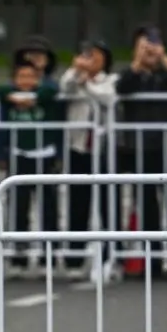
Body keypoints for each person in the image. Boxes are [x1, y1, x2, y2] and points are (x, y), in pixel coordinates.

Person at [114, 24, 167, 281]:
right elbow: (122, 87)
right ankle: (153, 262)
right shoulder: (131, 76)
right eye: (143, 45)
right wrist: (138, 62)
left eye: (153, 44)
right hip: (140, 147)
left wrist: (163, 57)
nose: (149, 50)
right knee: (147, 206)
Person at [57, 39, 119, 278]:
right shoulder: (75, 76)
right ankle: (74, 258)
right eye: (87, 54)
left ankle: (109, 257)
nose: (90, 59)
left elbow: (107, 98)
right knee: (77, 203)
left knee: (107, 204)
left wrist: (88, 83)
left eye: (96, 55)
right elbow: (66, 88)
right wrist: (77, 71)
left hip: (104, 149)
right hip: (78, 146)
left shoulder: (110, 80)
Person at [0, 57, 60, 273]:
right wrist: (14, 97)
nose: (26, 80)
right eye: (21, 76)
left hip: (44, 156)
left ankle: (48, 257)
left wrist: (34, 98)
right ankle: (19, 257)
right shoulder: (8, 98)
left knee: (48, 207)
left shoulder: (46, 95)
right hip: (18, 157)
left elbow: (52, 90)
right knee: (18, 208)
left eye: (31, 76)